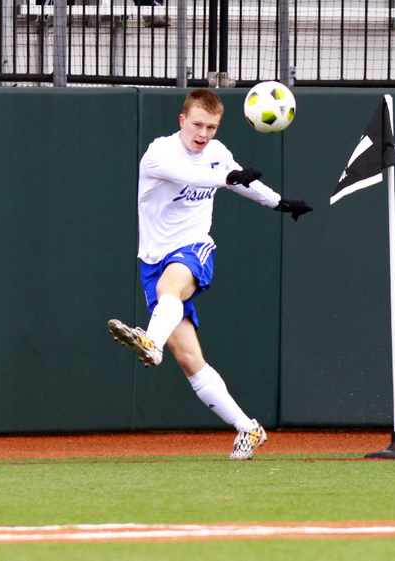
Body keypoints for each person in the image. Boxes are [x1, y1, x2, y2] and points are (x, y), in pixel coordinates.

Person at [108, 88, 312, 460]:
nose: (203, 134)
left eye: (212, 127)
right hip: (152, 259)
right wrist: (229, 177)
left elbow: (241, 181)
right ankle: (249, 428)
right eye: (198, 125)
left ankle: (150, 342)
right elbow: (196, 176)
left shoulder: (217, 154)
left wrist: (279, 202)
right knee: (190, 360)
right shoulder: (159, 154)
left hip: (193, 247)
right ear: (182, 120)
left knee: (171, 287)